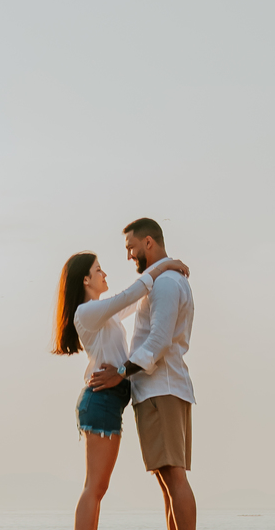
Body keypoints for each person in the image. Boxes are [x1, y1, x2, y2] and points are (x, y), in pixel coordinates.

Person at [53, 245, 191, 530]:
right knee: (95, 487)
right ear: (85, 281)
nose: (104, 273)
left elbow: (131, 299)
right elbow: (130, 294)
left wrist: (160, 272)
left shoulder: (104, 314)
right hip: (101, 400)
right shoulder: (87, 312)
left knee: (98, 487)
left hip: (110, 401)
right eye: (98, 269)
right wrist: (164, 265)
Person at [88, 217, 196, 530]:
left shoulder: (165, 283)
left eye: (131, 248)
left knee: (174, 477)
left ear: (148, 242)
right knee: (167, 480)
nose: (129, 256)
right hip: (164, 389)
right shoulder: (164, 278)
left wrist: (120, 372)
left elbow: (157, 343)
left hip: (160, 390)